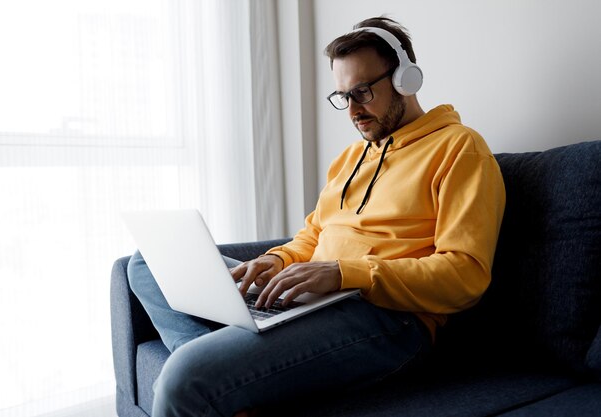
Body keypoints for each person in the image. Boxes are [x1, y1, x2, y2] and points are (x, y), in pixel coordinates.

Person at [127, 16, 506, 417]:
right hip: (314, 299)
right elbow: (312, 235)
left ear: (404, 79)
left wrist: (345, 274)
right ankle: (229, 378)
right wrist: (276, 260)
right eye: (343, 96)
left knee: (185, 375)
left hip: (388, 319)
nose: (353, 111)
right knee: (142, 262)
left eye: (362, 92)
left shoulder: (460, 149)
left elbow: (465, 276)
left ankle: (213, 375)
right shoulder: (350, 158)